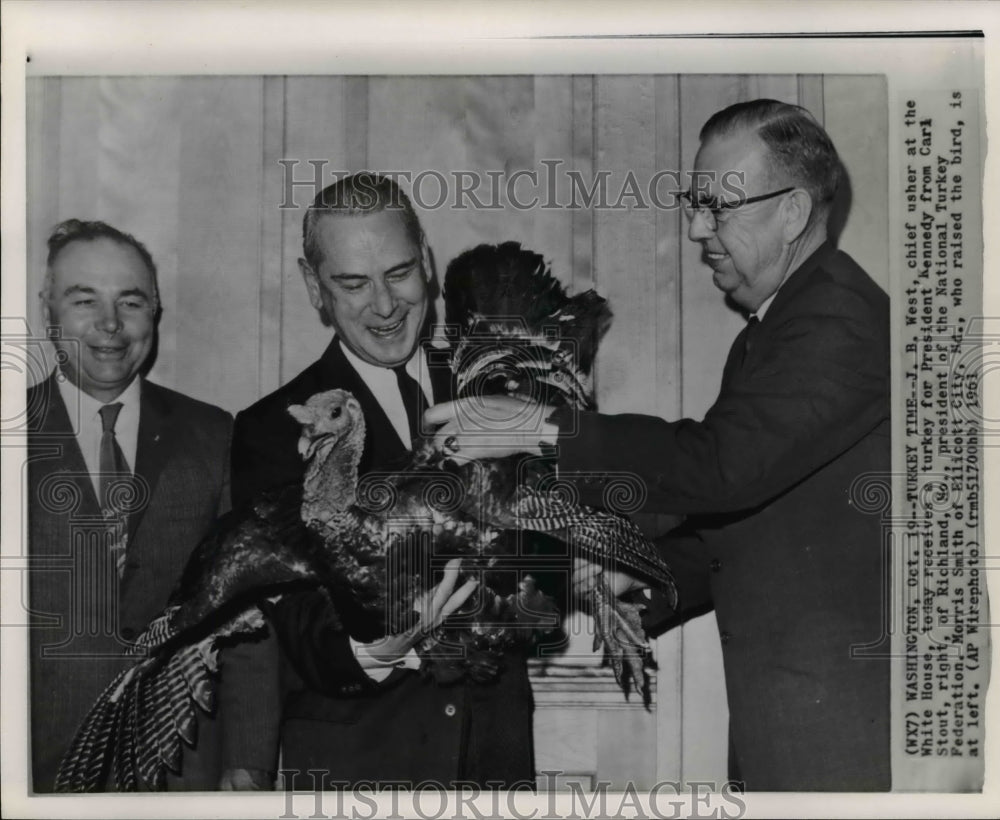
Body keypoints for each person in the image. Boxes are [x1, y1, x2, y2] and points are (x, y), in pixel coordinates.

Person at [426, 100, 891, 791]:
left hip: (834, 735)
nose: (697, 228)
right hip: (790, 727)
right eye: (692, 204)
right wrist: (627, 577)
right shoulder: (773, 330)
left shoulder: (836, 316)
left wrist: (540, 426)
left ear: (793, 212)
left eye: (717, 208)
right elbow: (740, 530)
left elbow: (718, 469)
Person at [220, 173, 535, 790]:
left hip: (492, 766)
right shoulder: (269, 429)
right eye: (353, 283)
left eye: (398, 273)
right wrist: (381, 647)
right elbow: (297, 618)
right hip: (361, 769)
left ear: (427, 262)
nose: (385, 306)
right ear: (315, 286)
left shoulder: (503, 390)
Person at [26, 219, 233, 792]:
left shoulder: (214, 436)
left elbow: (250, 613)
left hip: (184, 762)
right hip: (39, 767)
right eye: (83, 300)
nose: (110, 325)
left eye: (131, 301)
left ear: (156, 311)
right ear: (48, 311)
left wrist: (249, 761)